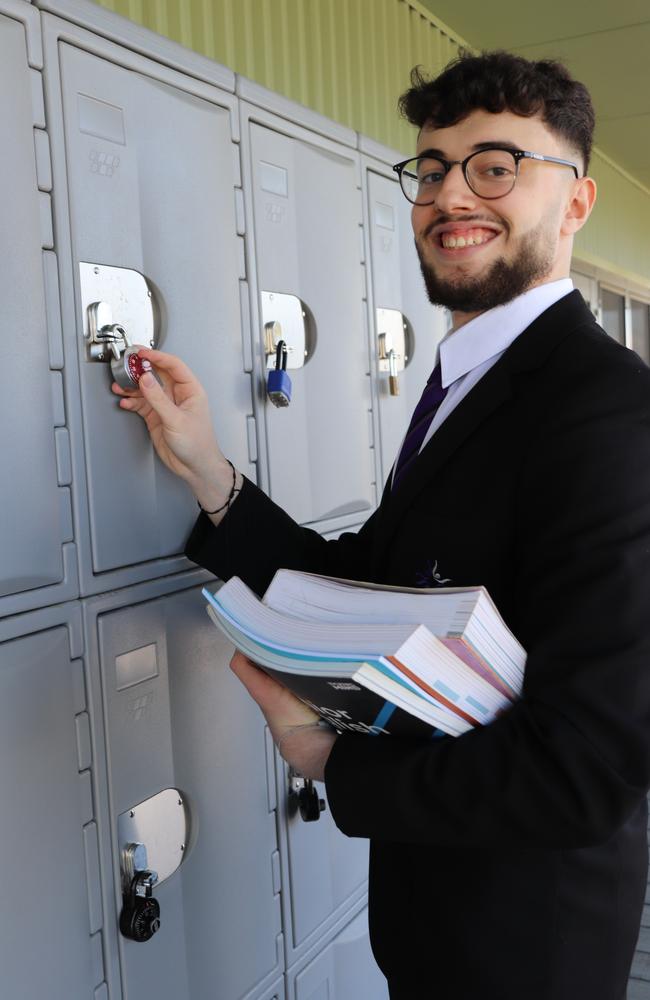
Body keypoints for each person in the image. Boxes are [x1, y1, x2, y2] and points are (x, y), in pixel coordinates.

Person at [113, 51, 650, 1000]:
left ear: (575, 203)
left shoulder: (607, 411)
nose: (453, 195)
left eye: (496, 165)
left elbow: (588, 769)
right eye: (433, 169)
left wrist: (334, 763)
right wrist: (210, 471)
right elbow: (363, 593)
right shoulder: (466, 384)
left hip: (528, 950)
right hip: (442, 921)